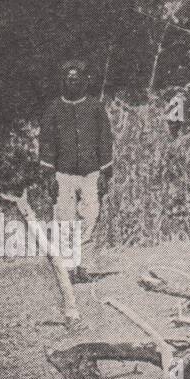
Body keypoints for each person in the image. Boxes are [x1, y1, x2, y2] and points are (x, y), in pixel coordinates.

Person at [38, 59, 113, 292]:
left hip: (91, 174)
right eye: (69, 79)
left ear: (84, 81)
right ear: (63, 82)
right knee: (65, 221)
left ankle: (84, 267)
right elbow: (46, 143)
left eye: (77, 78)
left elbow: (105, 139)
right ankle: (69, 268)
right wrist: (49, 175)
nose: (73, 82)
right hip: (63, 174)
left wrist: (105, 172)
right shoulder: (53, 109)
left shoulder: (95, 107)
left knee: (90, 218)